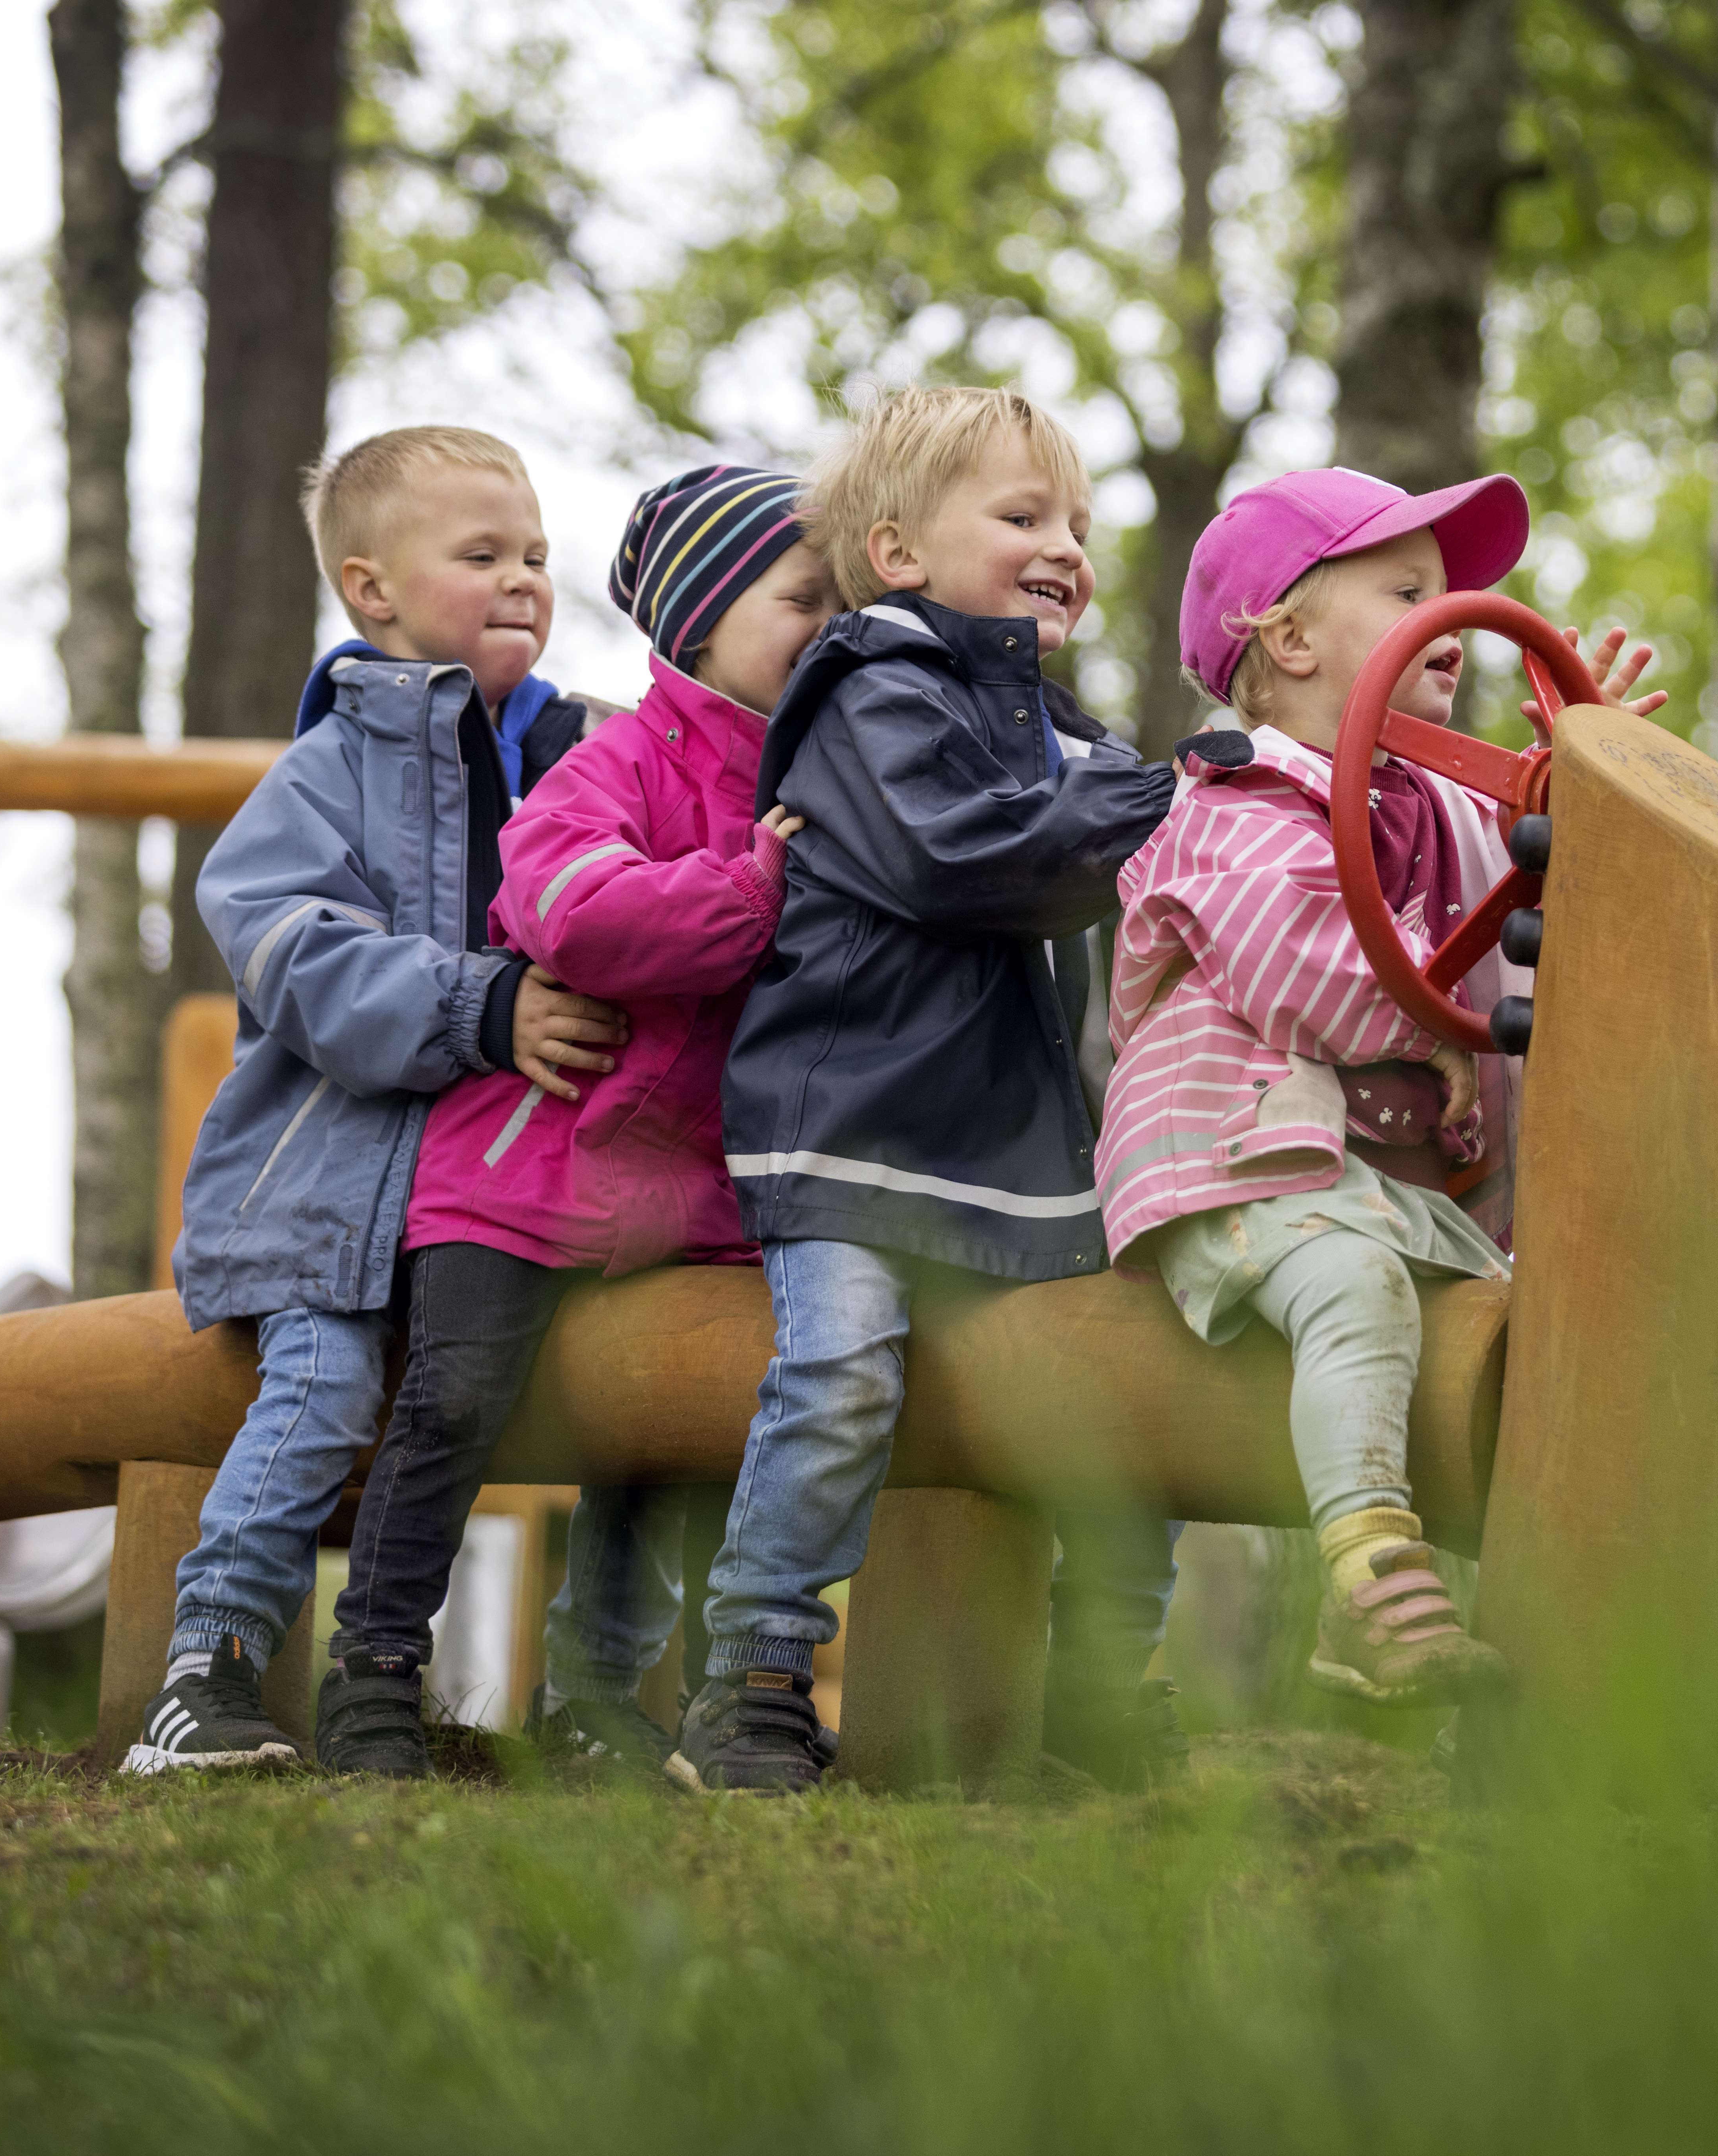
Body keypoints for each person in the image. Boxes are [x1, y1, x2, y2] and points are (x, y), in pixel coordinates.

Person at [1096, 466, 1662, 1704]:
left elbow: (1531, 893)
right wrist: (1440, 1033)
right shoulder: (1234, 798)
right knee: (1353, 1287)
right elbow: (1308, 975)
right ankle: (1367, 1585)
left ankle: (1584, 1666)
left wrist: (1587, 785)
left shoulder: (1448, 807)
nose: (1451, 619)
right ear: (1289, 640)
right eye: (1408, 592)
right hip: (1238, 1158)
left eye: (1452, 595)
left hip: (1381, 1187)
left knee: (1563, 1338)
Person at [682, 386, 1177, 1795]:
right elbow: (963, 857)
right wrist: (1160, 802)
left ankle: (1096, 1679)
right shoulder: (868, 689)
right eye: (1023, 517)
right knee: (837, 1374)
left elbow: (1155, 834)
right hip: (849, 1127)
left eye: (1077, 524)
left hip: (1002, 1150)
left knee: (1112, 1386)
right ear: (896, 552)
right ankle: (759, 1674)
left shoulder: (1061, 729)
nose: (1065, 546)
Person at [129, 426, 629, 1774]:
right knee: (324, 1390)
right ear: (373, 590)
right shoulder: (327, 773)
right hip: (334, 1191)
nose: (524, 578)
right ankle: (209, 1672)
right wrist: (481, 1003)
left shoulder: (584, 754)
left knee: (629, 1391)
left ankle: (605, 1698)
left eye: (534, 553)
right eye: (481, 555)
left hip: (511, 1198)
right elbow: (291, 950)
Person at [341, 463, 830, 1782]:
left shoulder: (833, 770)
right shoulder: (612, 756)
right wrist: (755, 892)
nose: (834, 625)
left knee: (669, 1448)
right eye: (805, 597)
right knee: (450, 1404)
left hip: (698, 1191)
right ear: (700, 619)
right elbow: (577, 912)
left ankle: (600, 1701)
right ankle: (376, 1676)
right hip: (521, 1169)